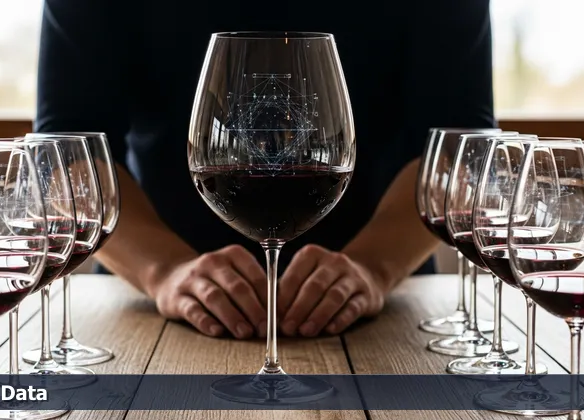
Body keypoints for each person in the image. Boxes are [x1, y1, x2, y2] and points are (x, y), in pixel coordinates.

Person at [34, 0, 496, 339]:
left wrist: (372, 268)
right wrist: (164, 272)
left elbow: (462, 150)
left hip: (377, 314)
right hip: (154, 310)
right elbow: (66, 151)